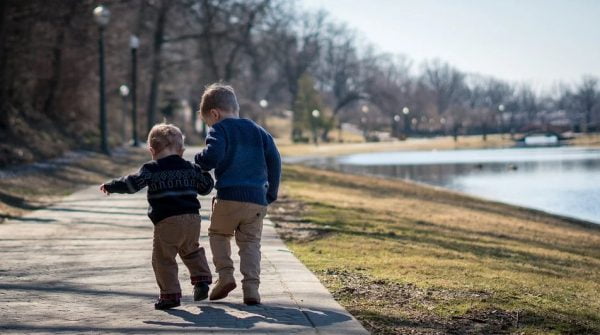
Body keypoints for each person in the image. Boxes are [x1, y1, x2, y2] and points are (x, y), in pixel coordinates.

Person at [100, 123, 214, 310]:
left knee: (163, 258)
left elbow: (132, 184)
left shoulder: (151, 169)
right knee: (191, 250)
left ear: (152, 150)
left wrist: (112, 186)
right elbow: (206, 188)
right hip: (192, 219)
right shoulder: (190, 168)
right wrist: (204, 172)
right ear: (181, 150)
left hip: (167, 221)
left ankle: (170, 295)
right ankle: (201, 280)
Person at [195, 83, 281, 305]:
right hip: (256, 200)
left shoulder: (219, 129)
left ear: (215, 113)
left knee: (219, 234)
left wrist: (199, 161)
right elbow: (275, 160)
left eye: (208, 122)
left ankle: (225, 276)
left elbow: (212, 157)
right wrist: (270, 192)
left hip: (229, 197)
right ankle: (251, 288)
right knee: (251, 243)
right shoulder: (259, 131)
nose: (209, 126)